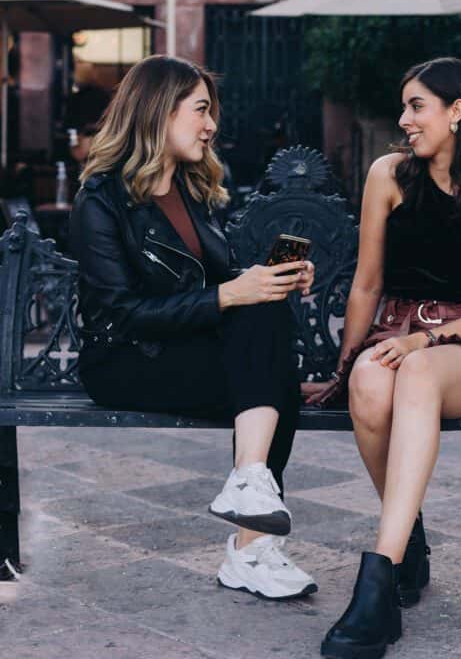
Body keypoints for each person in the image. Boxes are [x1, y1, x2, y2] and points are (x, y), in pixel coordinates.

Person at [69, 55, 317, 600]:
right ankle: (250, 548)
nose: (211, 125)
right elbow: (117, 314)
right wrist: (232, 293)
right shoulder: (101, 200)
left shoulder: (194, 192)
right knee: (272, 381)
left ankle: (251, 498)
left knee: (266, 334)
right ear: (158, 111)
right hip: (126, 360)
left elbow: (224, 284)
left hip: (184, 349)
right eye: (201, 110)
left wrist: (273, 280)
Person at [303, 57, 461, 659]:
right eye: (404, 107)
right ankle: (408, 543)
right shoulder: (388, 176)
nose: (404, 120)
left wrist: (422, 341)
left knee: (414, 369)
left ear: (457, 112)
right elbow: (367, 284)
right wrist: (346, 366)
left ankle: (378, 578)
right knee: (371, 385)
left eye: (416, 106)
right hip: (394, 332)